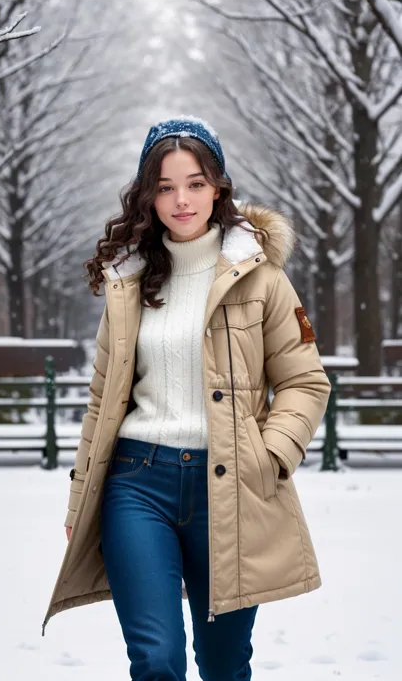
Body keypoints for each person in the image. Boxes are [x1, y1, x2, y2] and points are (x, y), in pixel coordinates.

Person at [42, 115, 331, 681]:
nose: (181, 200)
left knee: (224, 665)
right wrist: (81, 497)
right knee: (157, 660)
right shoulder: (128, 280)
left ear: (218, 187)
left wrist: (268, 456)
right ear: (146, 195)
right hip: (135, 483)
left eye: (195, 183)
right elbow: (103, 398)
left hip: (230, 488)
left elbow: (304, 380)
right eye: (166, 186)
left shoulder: (261, 278)